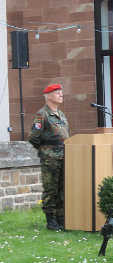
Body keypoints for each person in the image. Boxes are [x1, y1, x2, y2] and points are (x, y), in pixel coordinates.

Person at [28, 83, 70, 231]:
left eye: (61, 92)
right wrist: (46, 150)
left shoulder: (61, 114)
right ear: (49, 96)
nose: (61, 94)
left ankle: (61, 218)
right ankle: (51, 220)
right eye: (57, 92)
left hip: (65, 157)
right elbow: (33, 137)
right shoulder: (42, 115)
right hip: (50, 159)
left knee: (62, 189)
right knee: (51, 189)